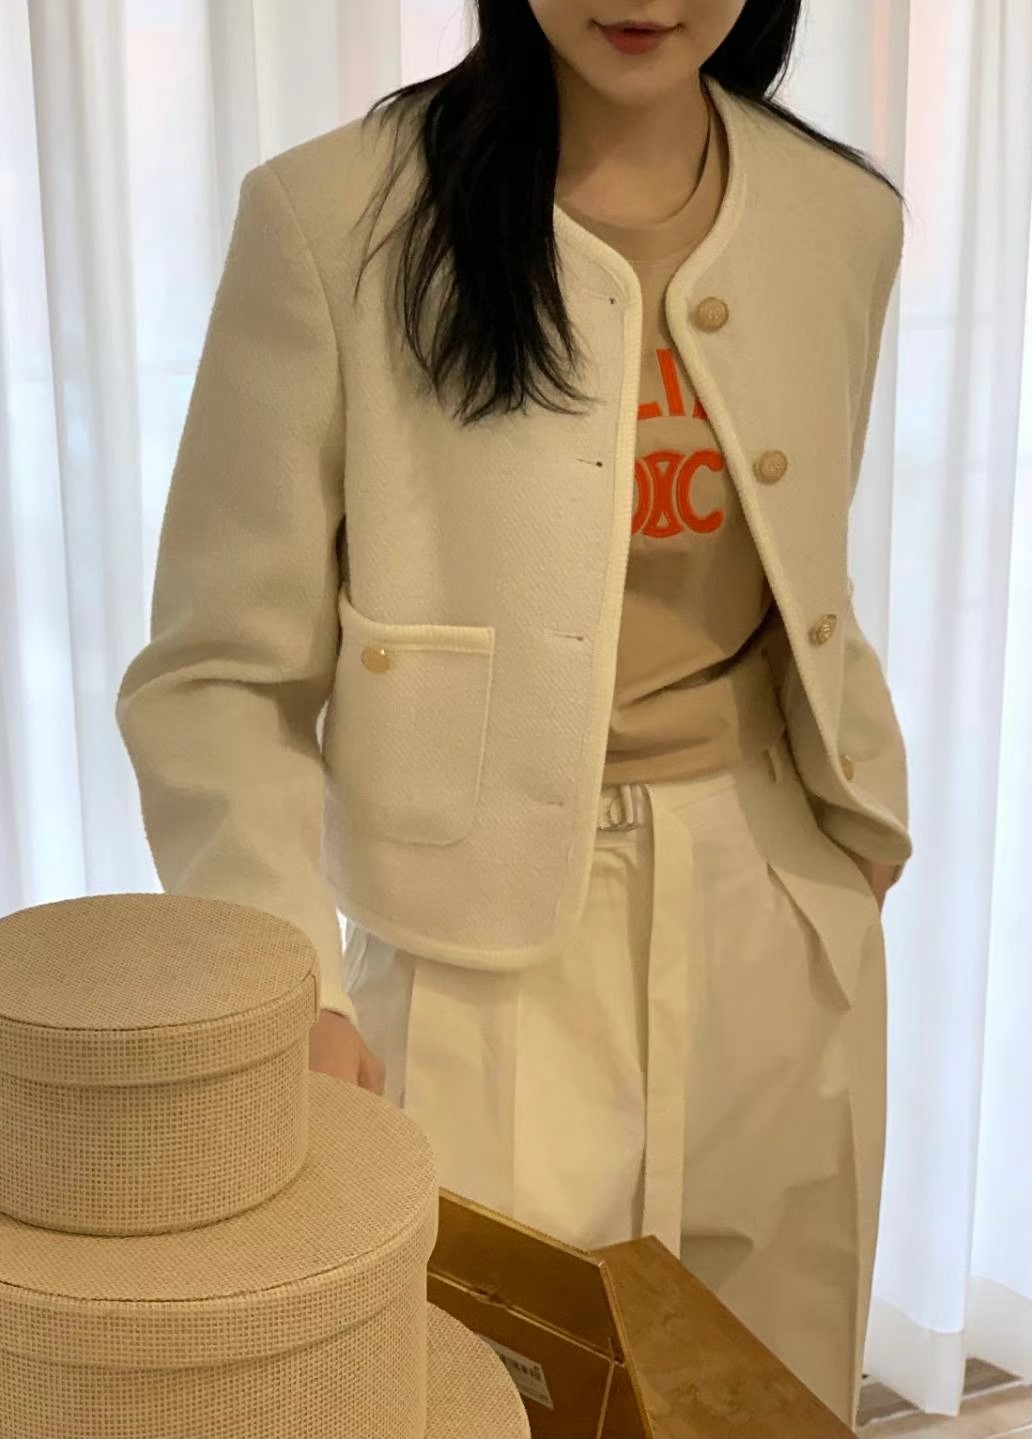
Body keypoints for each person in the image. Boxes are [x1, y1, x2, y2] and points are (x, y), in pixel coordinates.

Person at [116, 0, 914, 1426]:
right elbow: (219, 675)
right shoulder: (337, 221)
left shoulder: (840, 218)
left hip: (776, 930)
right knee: (473, 1399)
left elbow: (807, 576)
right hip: (471, 965)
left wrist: (853, 843)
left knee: (769, 1398)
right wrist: (295, 993)